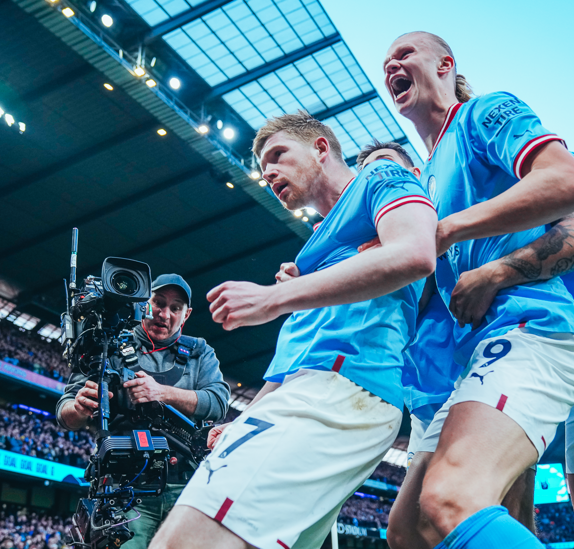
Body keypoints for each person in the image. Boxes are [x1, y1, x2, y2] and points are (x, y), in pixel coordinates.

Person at [147, 112, 437, 549]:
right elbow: (295, 360)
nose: (269, 173)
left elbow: (417, 253)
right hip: (314, 392)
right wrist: (245, 417)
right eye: (264, 168)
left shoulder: (379, 178)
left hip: (344, 388)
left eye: (279, 155)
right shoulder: (315, 255)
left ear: (321, 149)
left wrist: (271, 298)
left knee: (181, 542)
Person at [382, 30, 574, 549]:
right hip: (480, 356)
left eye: (404, 54)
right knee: (408, 530)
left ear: (445, 65)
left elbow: (571, 187)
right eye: (386, 63)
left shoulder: (485, 113)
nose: (392, 65)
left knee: (452, 496)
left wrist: (474, 252)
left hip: (538, 330)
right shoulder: (428, 183)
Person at [352, 141, 538, 548]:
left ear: (416, 177)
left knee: (506, 507)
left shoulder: (431, 228)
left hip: (477, 385)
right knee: (411, 532)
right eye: (366, 172)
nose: (375, 178)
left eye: (385, 167)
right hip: (420, 402)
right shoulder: (364, 246)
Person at [55, 273, 230, 549]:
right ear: (142, 303)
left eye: (175, 308)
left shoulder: (200, 352)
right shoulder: (107, 342)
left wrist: (161, 393)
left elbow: (219, 402)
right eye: (158, 302)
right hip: (125, 489)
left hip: (186, 486)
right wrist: (78, 407)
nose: (165, 314)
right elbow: (64, 412)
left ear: (187, 315)